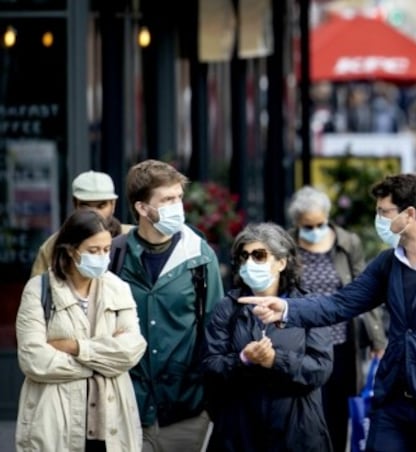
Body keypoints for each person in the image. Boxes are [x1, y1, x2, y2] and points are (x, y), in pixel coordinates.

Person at [242, 174, 416, 452]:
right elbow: (341, 304)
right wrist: (286, 308)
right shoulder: (389, 263)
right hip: (393, 405)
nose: (378, 219)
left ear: (409, 214)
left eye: (383, 212)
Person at [113, 159, 223, 452]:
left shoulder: (199, 256)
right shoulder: (115, 255)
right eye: (167, 199)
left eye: (179, 197)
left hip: (186, 407)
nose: (178, 206)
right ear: (142, 208)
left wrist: (209, 399)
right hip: (128, 404)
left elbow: (215, 327)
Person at [16, 209, 147, 451]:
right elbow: (33, 358)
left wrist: (75, 347)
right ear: (70, 249)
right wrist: (103, 362)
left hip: (111, 424)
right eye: (93, 251)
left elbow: (132, 350)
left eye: (106, 250)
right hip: (55, 423)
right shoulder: (39, 289)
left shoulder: (118, 288)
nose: (102, 257)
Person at [202, 223, 333, 451]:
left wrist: (275, 360)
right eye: (244, 256)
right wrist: (243, 359)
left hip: (297, 431)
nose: (250, 263)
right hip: (239, 433)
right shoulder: (227, 308)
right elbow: (210, 365)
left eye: (259, 255)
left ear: (281, 262)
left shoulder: (307, 307)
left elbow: (320, 368)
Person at [286, 186, 387, 452]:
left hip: (341, 340)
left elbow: (365, 290)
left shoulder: (347, 242)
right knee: (307, 407)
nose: (315, 230)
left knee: (339, 409)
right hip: (302, 342)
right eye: (308, 225)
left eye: (321, 223)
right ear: (297, 223)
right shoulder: (285, 245)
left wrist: (378, 339)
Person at [31, 170, 132, 277]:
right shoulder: (54, 246)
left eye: (101, 206)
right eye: (86, 206)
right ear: (75, 204)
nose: (94, 213)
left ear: (113, 205)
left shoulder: (133, 238)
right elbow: (38, 288)